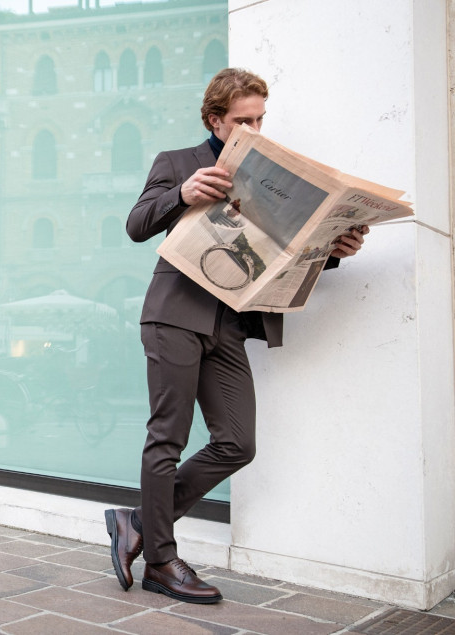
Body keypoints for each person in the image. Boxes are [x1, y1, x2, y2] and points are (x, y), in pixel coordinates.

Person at [104, 68, 369, 604]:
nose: (255, 129)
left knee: (237, 443)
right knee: (168, 439)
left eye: (260, 119)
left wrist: (331, 251)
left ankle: (136, 520)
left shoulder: (273, 177)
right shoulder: (178, 163)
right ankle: (160, 558)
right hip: (176, 314)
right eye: (243, 121)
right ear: (215, 120)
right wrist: (181, 193)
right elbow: (136, 224)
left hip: (230, 325)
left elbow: (282, 253)